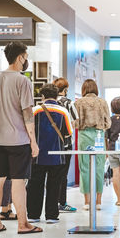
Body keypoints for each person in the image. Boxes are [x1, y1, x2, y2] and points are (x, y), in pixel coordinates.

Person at [0, 41, 42, 234]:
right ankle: (23, 224)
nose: (26, 61)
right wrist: (33, 140)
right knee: (18, 180)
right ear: (20, 58)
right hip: (18, 139)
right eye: (25, 57)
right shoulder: (23, 80)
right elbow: (27, 113)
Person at [27, 84, 73, 223]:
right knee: (54, 185)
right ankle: (52, 216)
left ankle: (33, 215)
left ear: (42, 96)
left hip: (37, 154)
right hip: (57, 154)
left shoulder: (35, 110)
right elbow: (68, 133)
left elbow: (29, 130)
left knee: (35, 184)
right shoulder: (63, 111)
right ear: (57, 96)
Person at [75, 79, 111, 210]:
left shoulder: (78, 102)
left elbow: (75, 123)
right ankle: (99, 202)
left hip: (84, 136)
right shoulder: (102, 102)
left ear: (83, 89)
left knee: (84, 167)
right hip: (99, 136)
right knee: (99, 167)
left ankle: (87, 202)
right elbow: (108, 123)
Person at [52, 77, 78, 212]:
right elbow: (74, 123)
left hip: (51, 143)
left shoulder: (50, 102)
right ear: (66, 90)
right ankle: (62, 202)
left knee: (52, 173)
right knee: (63, 174)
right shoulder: (68, 103)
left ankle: (51, 203)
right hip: (66, 143)